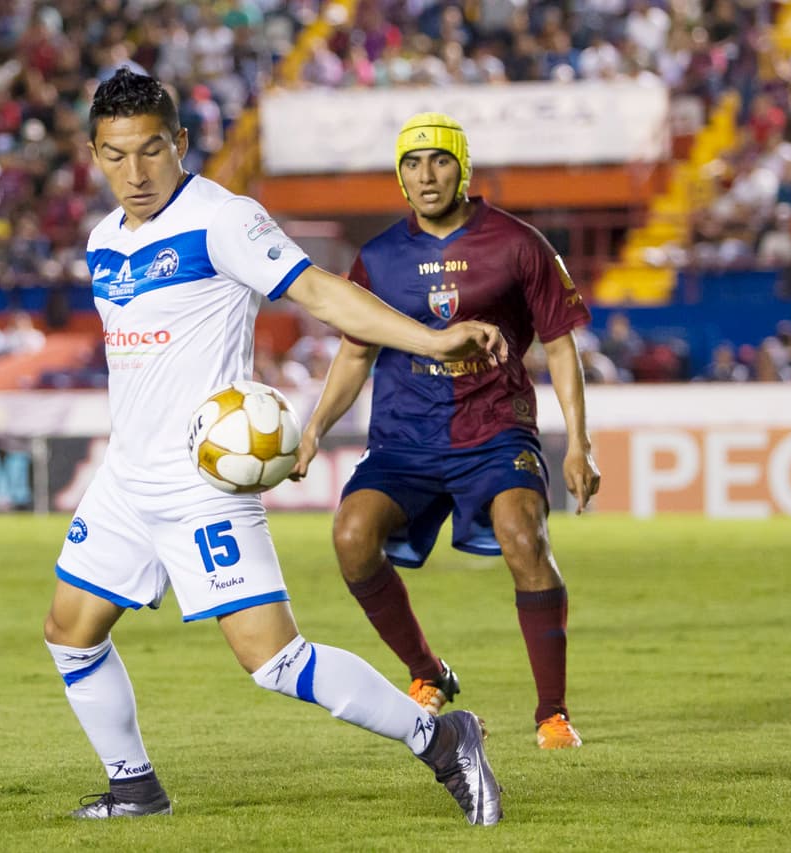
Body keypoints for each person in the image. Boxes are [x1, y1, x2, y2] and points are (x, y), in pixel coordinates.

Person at [44, 69, 504, 825]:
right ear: (94, 155)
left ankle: (442, 735)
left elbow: (321, 292)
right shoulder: (102, 241)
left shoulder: (223, 220)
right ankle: (134, 785)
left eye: (152, 150)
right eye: (115, 155)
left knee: (274, 661)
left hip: (203, 482)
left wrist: (431, 338)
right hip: (126, 480)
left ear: (182, 144)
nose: (135, 171)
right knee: (70, 632)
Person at [292, 113, 600, 750]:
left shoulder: (520, 244)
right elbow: (355, 355)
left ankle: (552, 715)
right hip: (405, 439)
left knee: (524, 536)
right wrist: (315, 428)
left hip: (495, 432)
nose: (425, 175)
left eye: (438, 161)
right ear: (399, 176)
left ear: (463, 168)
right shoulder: (378, 258)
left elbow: (560, 346)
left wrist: (579, 443)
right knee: (351, 536)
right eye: (411, 163)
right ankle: (427, 673)